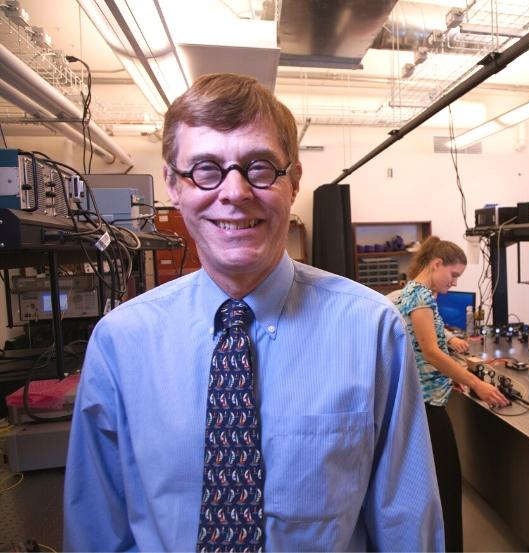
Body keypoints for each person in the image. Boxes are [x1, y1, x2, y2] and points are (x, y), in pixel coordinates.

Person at [64, 73, 443, 552]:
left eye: (259, 167)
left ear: (294, 181)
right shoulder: (120, 343)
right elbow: (97, 532)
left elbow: (405, 521)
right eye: (205, 169)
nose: (235, 192)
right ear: (173, 185)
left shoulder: (370, 330)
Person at [394, 236, 509, 553]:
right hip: (427, 406)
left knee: (444, 480)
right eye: (454, 274)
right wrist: (476, 383)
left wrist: (450, 379)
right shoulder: (420, 296)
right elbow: (431, 352)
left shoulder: (416, 292)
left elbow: (425, 347)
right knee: (446, 483)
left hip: (428, 398)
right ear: (436, 264)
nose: (455, 282)